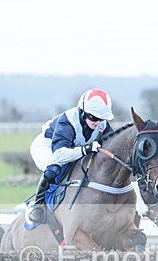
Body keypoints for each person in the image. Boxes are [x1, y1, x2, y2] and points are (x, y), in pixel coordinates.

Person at [26, 88, 115, 224]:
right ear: (83, 112)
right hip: (48, 148)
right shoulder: (67, 122)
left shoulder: (101, 123)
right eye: (93, 117)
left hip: (72, 149)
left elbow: (113, 143)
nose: (97, 122)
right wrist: (85, 150)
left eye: (101, 119)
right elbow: (60, 155)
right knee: (53, 168)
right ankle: (38, 206)